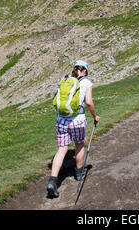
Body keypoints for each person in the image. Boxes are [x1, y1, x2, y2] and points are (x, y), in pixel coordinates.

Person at [47, 60, 100, 198]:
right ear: (85, 70)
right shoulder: (87, 83)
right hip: (77, 121)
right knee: (79, 145)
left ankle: (52, 181)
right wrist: (95, 116)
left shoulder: (65, 80)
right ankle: (79, 173)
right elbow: (88, 102)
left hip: (61, 120)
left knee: (61, 149)